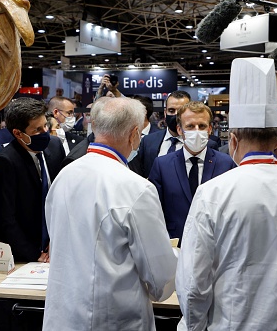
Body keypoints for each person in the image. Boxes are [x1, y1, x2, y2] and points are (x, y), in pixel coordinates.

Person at [176, 58, 277, 330]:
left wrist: (193, 324)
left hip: (230, 322)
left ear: (233, 140)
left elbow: (194, 278)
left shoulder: (213, 192)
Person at [43, 97, 177, 330]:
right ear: (134, 133)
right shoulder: (135, 188)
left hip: (63, 313)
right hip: (113, 318)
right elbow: (160, 279)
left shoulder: (64, 176)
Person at [0, 97, 65, 262]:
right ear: (18, 133)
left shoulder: (55, 146)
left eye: (45, 125)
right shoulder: (5, 162)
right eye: (37, 130)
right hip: (27, 253)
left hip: (58, 245)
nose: (45, 132)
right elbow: (6, 218)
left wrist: (58, 240)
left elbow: (64, 198)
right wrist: (34, 254)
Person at [149, 101, 235, 240]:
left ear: (210, 129)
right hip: (176, 245)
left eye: (202, 126)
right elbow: (155, 212)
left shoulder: (226, 164)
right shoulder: (162, 165)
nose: (196, 131)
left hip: (215, 246)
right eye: (190, 126)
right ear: (179, 130)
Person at [134, 91, 217, 178]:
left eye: (180, 111)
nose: (175, 115)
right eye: (171, 110)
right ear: (165, 113)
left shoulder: (208, 144)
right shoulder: (148, 141)